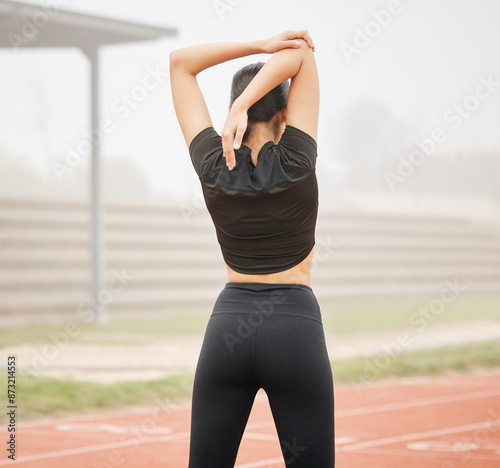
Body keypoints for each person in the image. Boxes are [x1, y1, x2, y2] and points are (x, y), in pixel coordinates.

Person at [170, 30, 335, 468]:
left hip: (227, 330)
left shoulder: (212, 162)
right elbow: (299, 53)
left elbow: (180, 63)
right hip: (294, 329)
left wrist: (257, 51)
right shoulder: (297, 159)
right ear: (284, 112)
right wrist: (249, 100)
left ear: (231, 112)